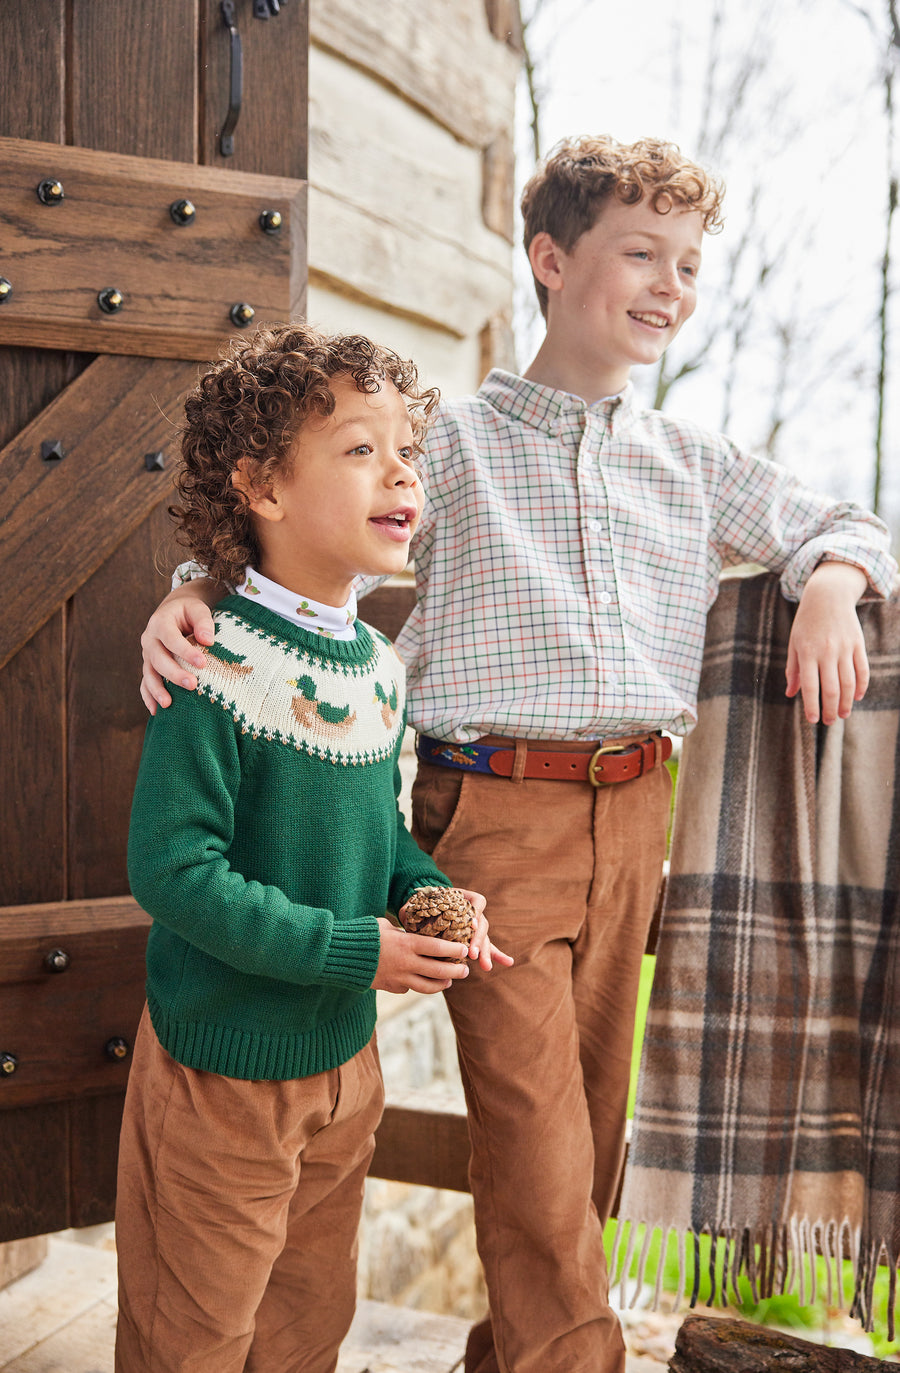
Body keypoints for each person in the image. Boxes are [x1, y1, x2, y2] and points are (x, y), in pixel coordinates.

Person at [138, 138, 897, 1373]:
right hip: (487, 816)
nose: (671, 285)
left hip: (639, 823)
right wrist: (189, 588)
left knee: (589, 1150)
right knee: (543, 1162)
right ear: (551, 260)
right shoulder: (451, 443)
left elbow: (843, 520)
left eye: (691, 264)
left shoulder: (693, 462)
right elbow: (308, 523)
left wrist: (833, 584)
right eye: (639, 253)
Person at [116, 323, 510, 1373]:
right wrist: (356, 950)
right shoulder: (213, 654)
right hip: (221, 1076)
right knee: (189, 1340)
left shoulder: (380, 667)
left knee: (304, 1331)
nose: (401, 474)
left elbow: (376, 831)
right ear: (263, 486)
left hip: (345, 1067)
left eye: (408, 453)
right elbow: (172, 869)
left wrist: (431, 896)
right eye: (360, 449)